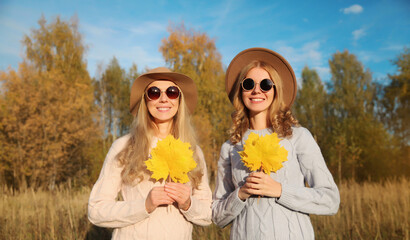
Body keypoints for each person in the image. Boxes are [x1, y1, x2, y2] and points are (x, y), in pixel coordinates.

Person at [212, 48, 340, 239]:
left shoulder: (297, 137)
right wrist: (240, 194)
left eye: (265, 84)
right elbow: (217, 216)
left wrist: (280, 190)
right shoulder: (230, 147)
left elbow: (330, 200)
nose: (257, 90)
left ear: (275, 90)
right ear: (241, 91)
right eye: (248, 84)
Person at [88, 67, 212, 240]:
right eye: (154, 92)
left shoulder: (193, 151)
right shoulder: (123, 147)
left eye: (172, 92)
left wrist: (188, 204)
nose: (163, 99)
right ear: (145, 101)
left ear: (179, 100)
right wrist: (144, 205)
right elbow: (96, 210)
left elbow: (207, 214)